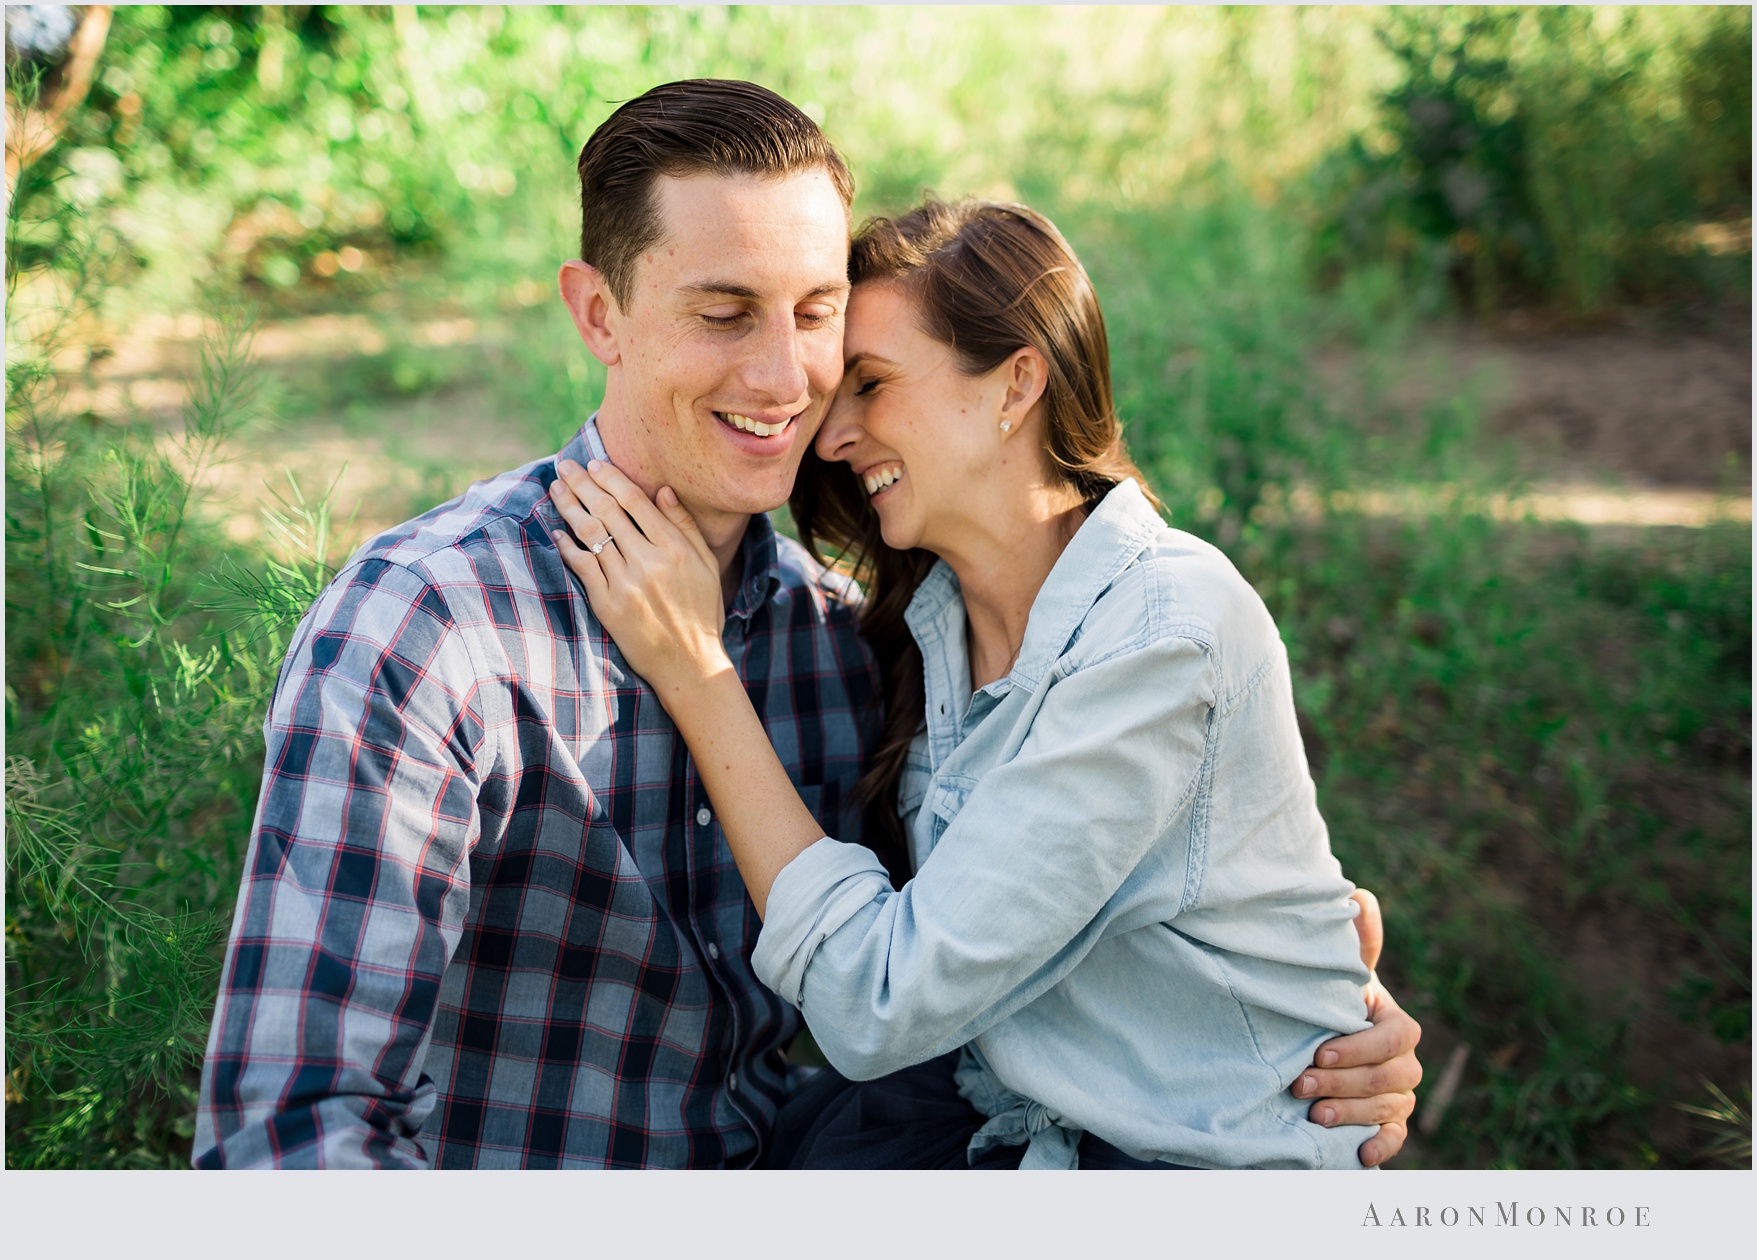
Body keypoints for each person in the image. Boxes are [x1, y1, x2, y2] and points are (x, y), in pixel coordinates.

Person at [193, 79, 1420, 1169]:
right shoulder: (429, 631)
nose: (787, 383)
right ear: (597, 312)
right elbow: (290, 1132)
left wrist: (1303, 984)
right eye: (723, 312)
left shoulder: (847, 645)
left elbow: (1006, 910)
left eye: (817, 314)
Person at [548, 196, 1403, 1169]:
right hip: (1004, 1130)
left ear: (1014, 384)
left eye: (869, 385)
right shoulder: (918, 635)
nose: (832, 438)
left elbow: (878, 1004)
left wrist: (696, 671)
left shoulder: (1164, 636)